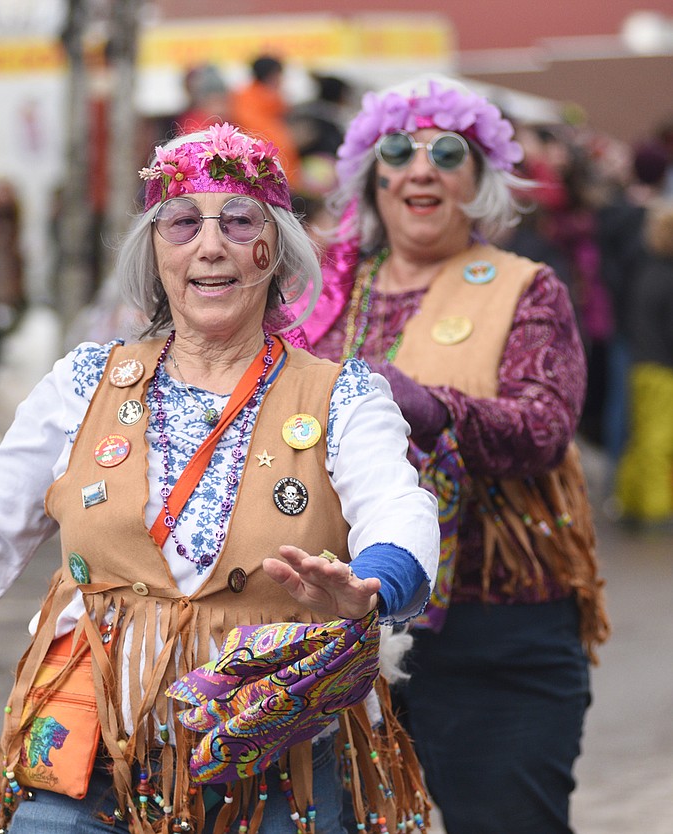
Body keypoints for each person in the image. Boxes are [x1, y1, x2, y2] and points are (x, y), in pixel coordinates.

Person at [0, 124, 440, 834]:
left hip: (271, 762)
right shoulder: (82, 385)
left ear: (272, 247)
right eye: (183, 223)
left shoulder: (343, 395)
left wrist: (371, 585)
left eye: (238, 220)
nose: (209, 245)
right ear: (155, 252)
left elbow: (399, 508)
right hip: (86, 754)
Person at [304, 76, 611, 834]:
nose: (420, 168)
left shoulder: (526, 288)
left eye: (448, 152)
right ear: (371, 176)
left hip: (496, 628)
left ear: (479, 181)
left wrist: (435, 407)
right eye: (398, 151)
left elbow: (544, 429)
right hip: (346, 629)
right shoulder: (324, 290)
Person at [615, 200, 673, 527]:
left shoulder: (645, 269)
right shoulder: (666, 276)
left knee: (641, 436)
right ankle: (654, 510)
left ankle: (630, 498)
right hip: (663, 367)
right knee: (658, 441)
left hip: (642, 362)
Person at [230, 55, 303, 194]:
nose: (282, 81)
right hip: (269, 177)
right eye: (280, 75)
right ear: (272, 76)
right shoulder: (253, 102)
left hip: (276, 173)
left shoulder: (250, 98)